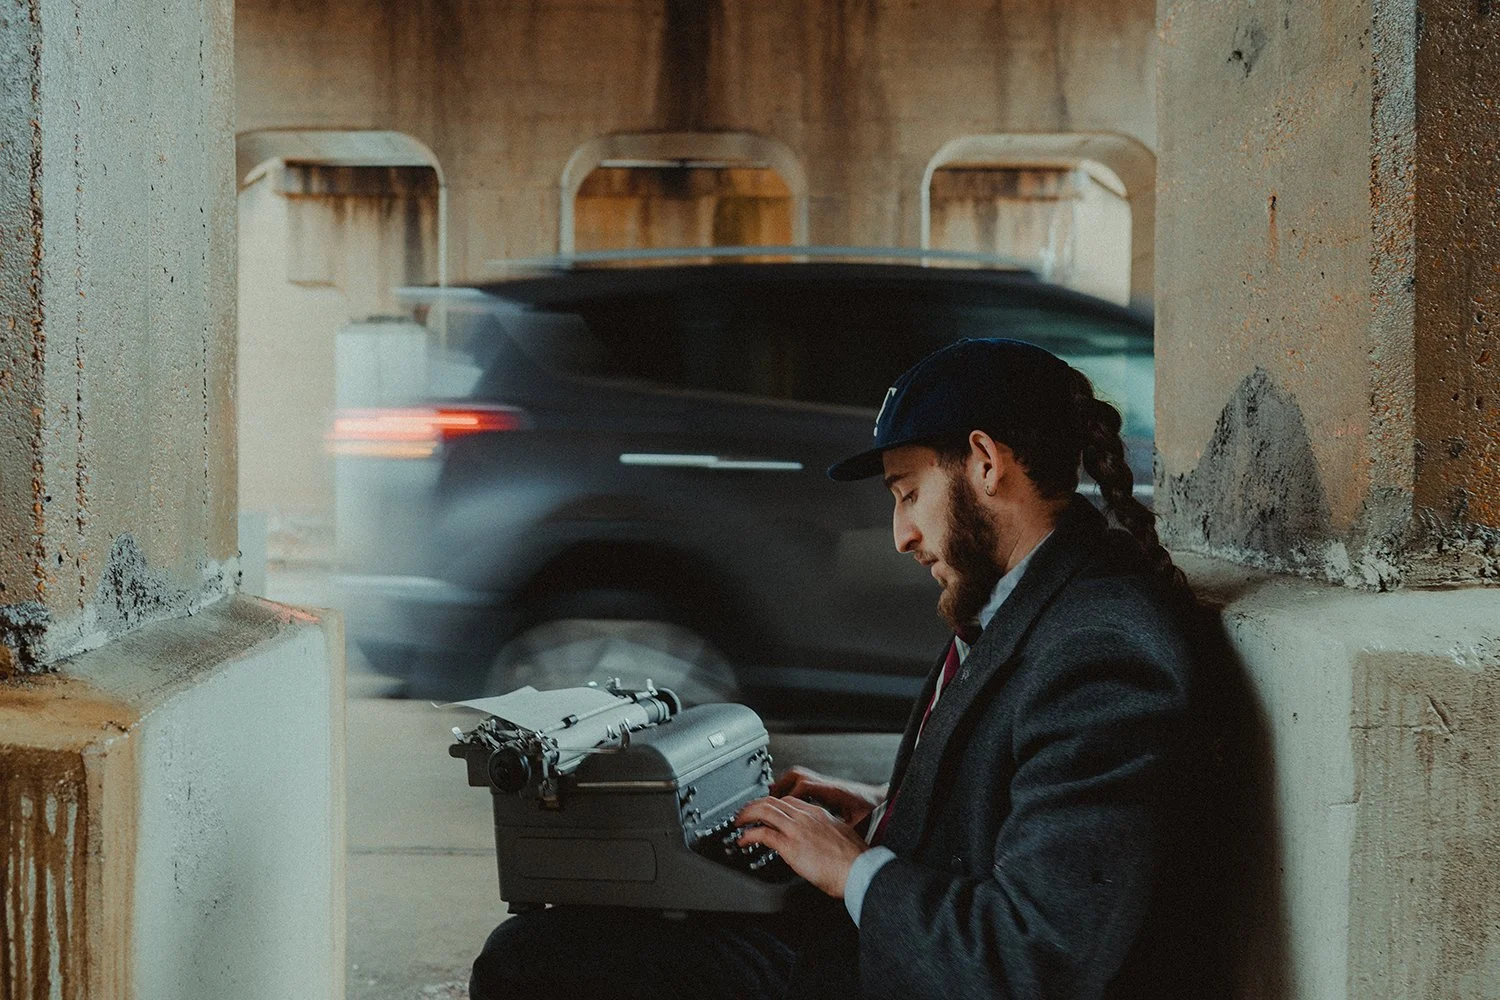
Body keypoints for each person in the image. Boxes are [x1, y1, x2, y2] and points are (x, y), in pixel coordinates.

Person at [469, 337, 1213, 1000]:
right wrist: (886, 805)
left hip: (883, 968)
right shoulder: (1036, 600)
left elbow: (1033, 960)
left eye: (908, 494)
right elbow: (1017, 799)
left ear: (987, 464)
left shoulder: (1100, 652)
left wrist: (852, 868)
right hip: (885, 946)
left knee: (533, 960)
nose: (901, 535)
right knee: (586, 923)